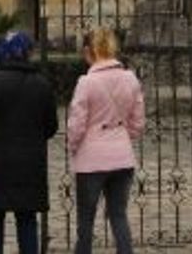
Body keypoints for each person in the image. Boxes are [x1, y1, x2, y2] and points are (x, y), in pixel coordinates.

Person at [0, 31, 58, 254]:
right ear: (28, 53)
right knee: (27, 219)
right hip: (30, 161)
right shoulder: (41, 84)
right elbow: (51, 126)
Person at [67, 28, 146, 254]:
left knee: (86, 219)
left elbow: (76, 124)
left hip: (91, 158)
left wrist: (74, 147)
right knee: (118, 215)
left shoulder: (86, 82)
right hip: (122, 156)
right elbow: (138, 121)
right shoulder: (130, 78)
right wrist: (121, 136)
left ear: (88, 52)